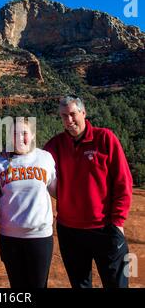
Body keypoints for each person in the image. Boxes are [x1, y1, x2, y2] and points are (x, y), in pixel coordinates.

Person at [44, 95, 133, 288]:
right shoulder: (55, 145)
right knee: (80, 285)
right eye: (64, 116)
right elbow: (35, 163)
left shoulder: (105, 138)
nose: (69, 120)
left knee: (116, 284)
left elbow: (123, 182)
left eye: (73, 114)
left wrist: (118, 222)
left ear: (83, 113)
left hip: (105, 228)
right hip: (69, 231)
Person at [0, 118, 57, 288]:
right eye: (14, 134)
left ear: (32, 135)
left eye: (24, 133)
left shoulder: (45, 158)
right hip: (10, 237)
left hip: (40, 236)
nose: (19, 138)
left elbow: (57, 191)